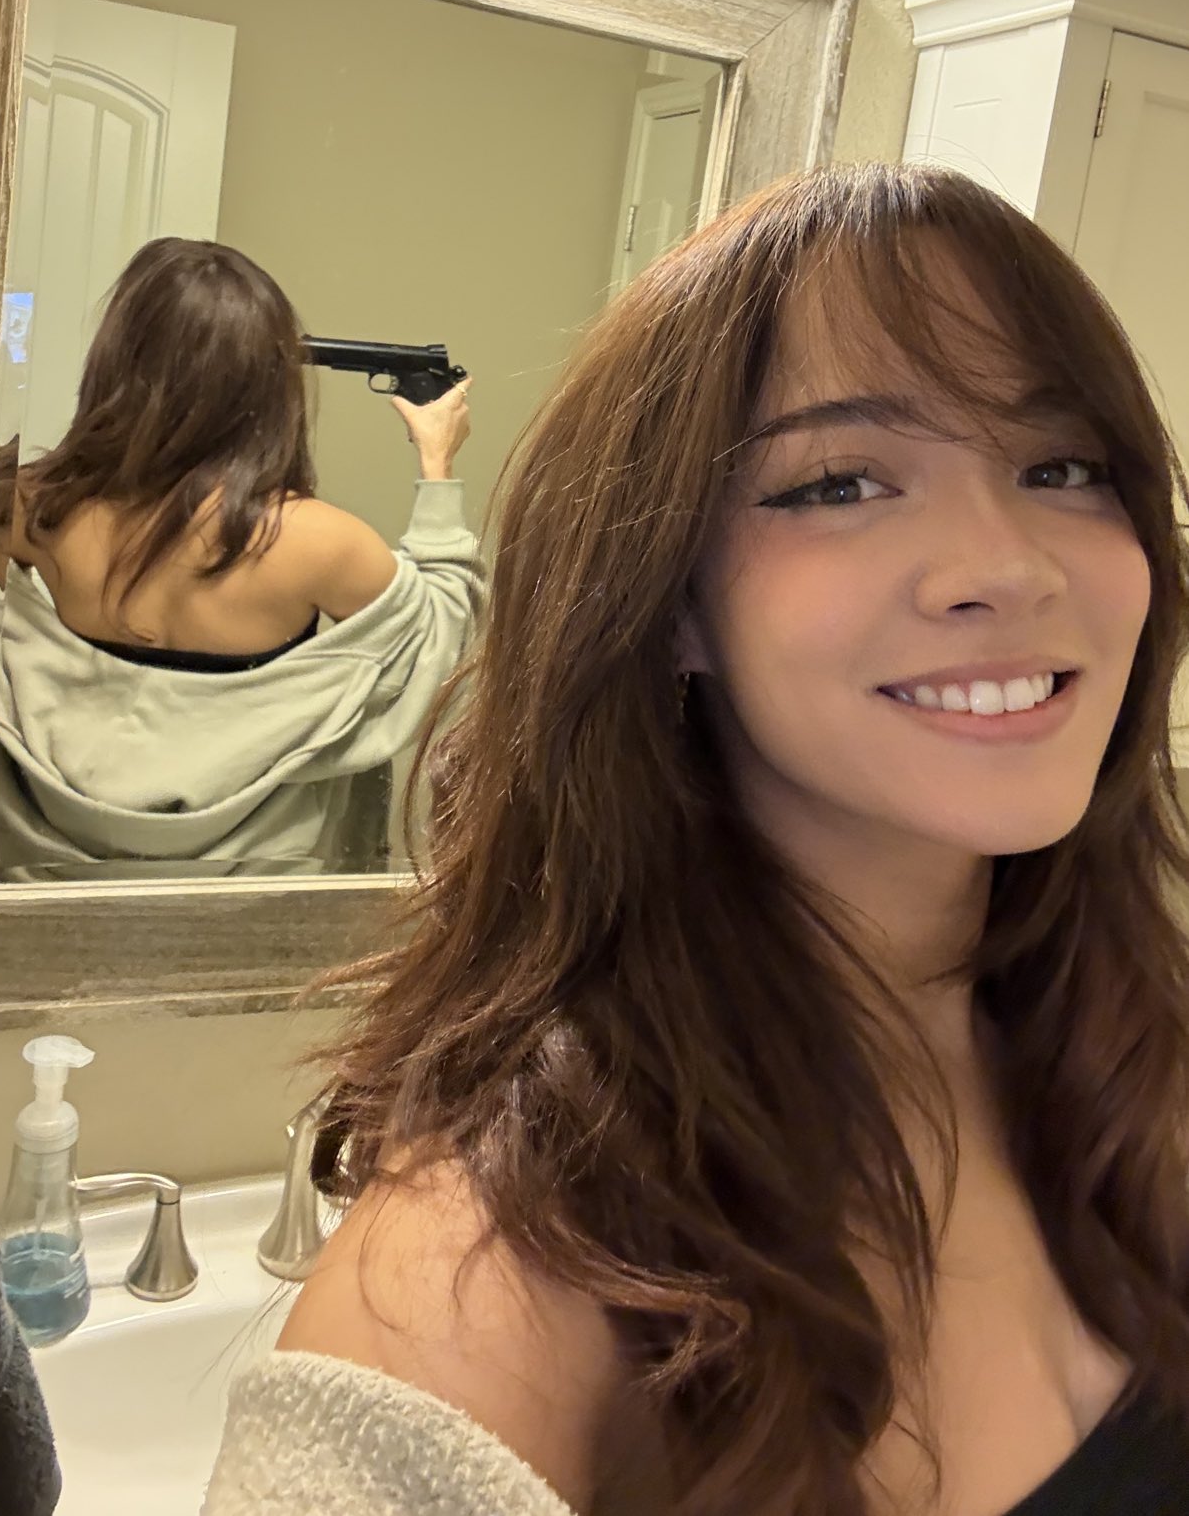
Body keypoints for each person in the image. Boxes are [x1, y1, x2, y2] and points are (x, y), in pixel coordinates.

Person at [203, 163, 1189, 1514]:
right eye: (841, 481)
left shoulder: (1125, 1051)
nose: (1007, 565)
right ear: (667, 601)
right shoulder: (491, 1264)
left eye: (1062, 466)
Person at [0, 237, 482, 878]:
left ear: (116, 366)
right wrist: (437, 462)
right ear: (271, 384)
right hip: (253, 900)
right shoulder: (320, 544)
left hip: (41, 892)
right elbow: (438, 639)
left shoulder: (24, 512)